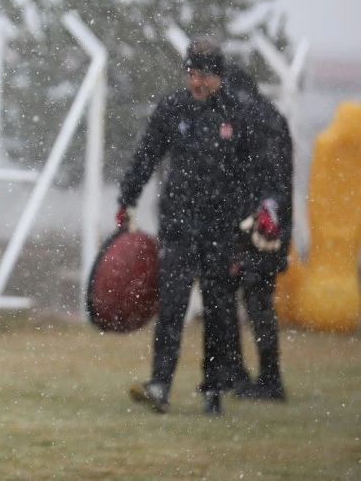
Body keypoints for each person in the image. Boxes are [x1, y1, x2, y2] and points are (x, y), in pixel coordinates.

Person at [117, 38, 281, 415]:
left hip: (222, 229)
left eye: (204, 75)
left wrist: (266, 205)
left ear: (218, 76)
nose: (197, 82)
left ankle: (214, 389)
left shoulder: (238, 115)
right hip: (178, 224)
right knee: (172, 306)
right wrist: (126, 199)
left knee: (219, 310)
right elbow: (147, 154)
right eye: (191, 74)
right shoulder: (173, 108)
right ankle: (160, 384)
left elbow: (261, 167)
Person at [224, 63, 292, 401]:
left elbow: (251, 178)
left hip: (254, 225)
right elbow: (280, 180)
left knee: (239, 298)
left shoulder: (244, 119)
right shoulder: (273, 117)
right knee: (258, 300)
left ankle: (252, 376)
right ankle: (263, 375)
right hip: (273, 224)